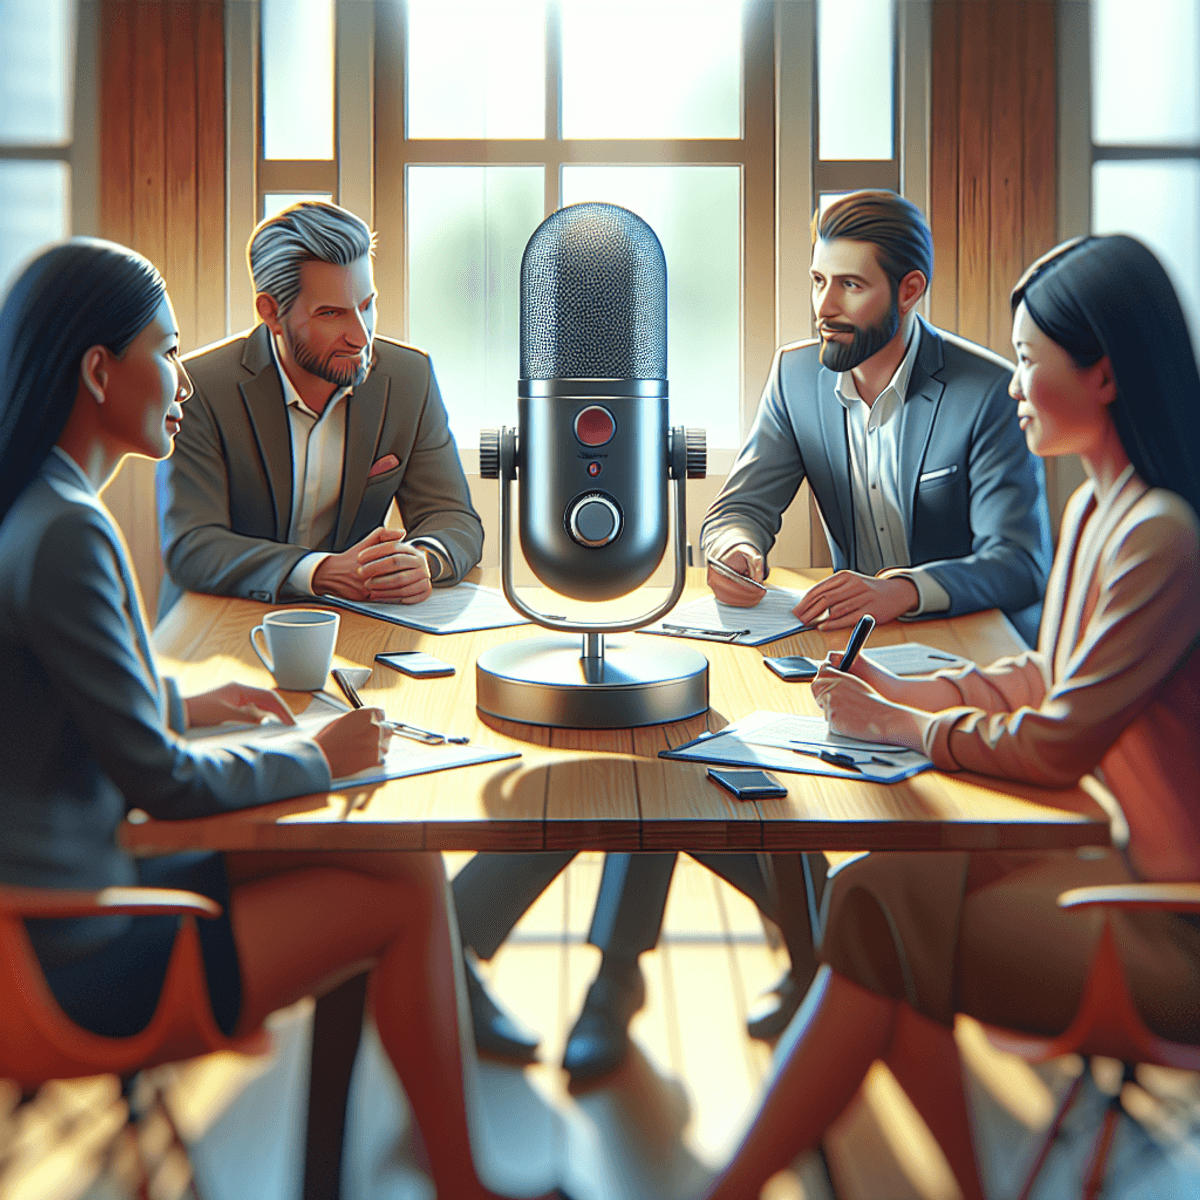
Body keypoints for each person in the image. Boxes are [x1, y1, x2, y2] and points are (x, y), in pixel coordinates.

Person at [0, 239, 563, 1200]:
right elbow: (163, 780)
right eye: (163, 351)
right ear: (98, 371)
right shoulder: (69, 533)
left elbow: (61, 697)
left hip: (69, 897)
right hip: (77, 950)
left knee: (404, 860)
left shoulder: (37, 509)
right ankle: (457, 1182)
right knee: (402, 892)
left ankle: (381, 1171)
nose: (181, 377)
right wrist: (320, 757)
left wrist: (185, 698)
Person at [472, 188, 1057, 1075]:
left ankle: (824, 957)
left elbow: (1019, 562)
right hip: (846, 653)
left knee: (697, 771)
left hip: (964, 663)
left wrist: (900, 590)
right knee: (678, 752)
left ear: (910, 291)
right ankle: (640, 977)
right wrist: (734, 548)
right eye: (819, 281)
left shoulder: (983, 390)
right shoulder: (798, 377)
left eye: (850, 286)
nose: (825, 305)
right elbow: (742, 505)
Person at [696, 233, 1200, 1200]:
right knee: (872, 892)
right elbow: (1043, 677)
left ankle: (738, 1189)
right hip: (1109, 859)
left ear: (1102, 375)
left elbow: (1056, 743)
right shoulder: (1100, 511)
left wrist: (905, 728)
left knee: (881, 923)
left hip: (1169, 920)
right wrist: (901, 694)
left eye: (1029, 360)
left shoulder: (1161, 539)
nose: (1014, 386)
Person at [158, 200, 483, 617]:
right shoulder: (199, 388)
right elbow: (192, 546)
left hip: (350, 619)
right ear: (271, 313)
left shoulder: (408, 378)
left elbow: (452, 516)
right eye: (331, 313)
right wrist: (320, 571)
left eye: (366, 306)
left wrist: (422, 559)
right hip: (219, 620)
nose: (360, 337)